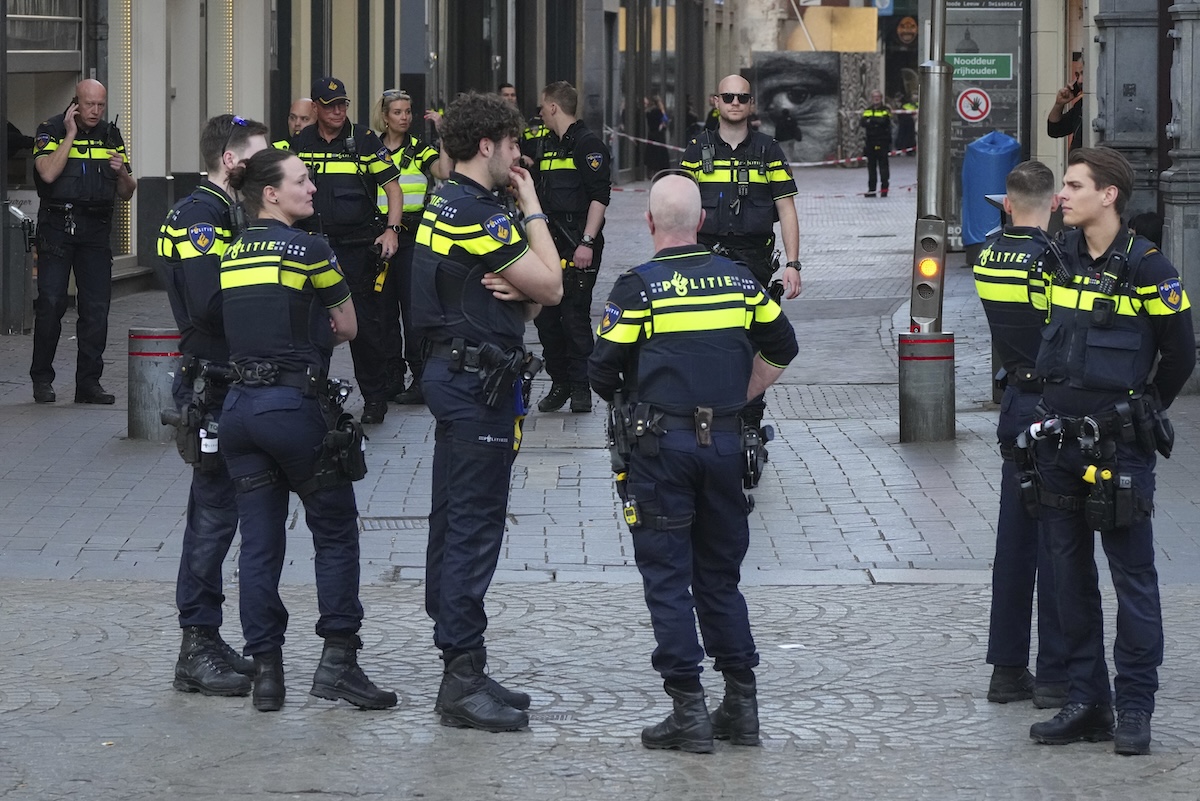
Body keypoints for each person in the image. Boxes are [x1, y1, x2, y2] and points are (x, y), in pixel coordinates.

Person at [587, 174, 798, 753]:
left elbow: (601, 373)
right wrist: (740, 395)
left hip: (662, 449)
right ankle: (741, 704)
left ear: (650, 223)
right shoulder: (740, 281)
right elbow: (783, 346)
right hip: (727, 446)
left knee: (667, 579)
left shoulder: (638, 289)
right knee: (720, 578)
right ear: (702, 220)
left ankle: (689, 711)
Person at [212, 148, 396, 713]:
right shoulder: (312, 248)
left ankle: (266, 674)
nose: (313, 187)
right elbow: (348, 325)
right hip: (293, 408)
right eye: (302, 180)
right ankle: (339, 662)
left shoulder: (232, 249)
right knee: (335, 531)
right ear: (271, 193)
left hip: (238, 412)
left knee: (260, 544)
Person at [1029, 147, 1195, 755]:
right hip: (1059, 445)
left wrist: (1141, 409)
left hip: (1119, 447)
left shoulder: (1150, 269)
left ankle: (1134, 707)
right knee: (1067, 578)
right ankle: (1085, 701)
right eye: (1062, 186)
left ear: (1109, 195)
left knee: (1132, 579)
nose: (1062, 195)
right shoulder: (1057, 258)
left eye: (1074, 186)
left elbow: (1181, 354)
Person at [410, 91, 562, 732]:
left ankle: (463, 656)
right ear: (486, 146)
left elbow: (528, 302)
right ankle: (460, 680)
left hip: (459, 373)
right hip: (477, 384)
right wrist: (531, 208)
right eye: (512, 145)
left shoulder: (447, 201)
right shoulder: (478, 210)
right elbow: (551, 286)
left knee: (455, 517)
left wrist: (518, 292)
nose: (518, 156)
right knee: (475, 525)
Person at [157, 114, 270, 697]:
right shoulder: (201, 217)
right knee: (212, 515)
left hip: (228, 378)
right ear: (232, 160)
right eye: (261, 154)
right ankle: (196, 643)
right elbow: (207, 304)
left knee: (222, 513)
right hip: (212, 383)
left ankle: (207, 635)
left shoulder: (224, 211)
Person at [970, 160, 1068, 710]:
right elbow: (1058, 328)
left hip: (1015, 404)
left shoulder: (987, 256)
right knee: (1059, 539)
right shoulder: (1048, 260)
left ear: (1007, 202)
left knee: (1013, 545)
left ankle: (1006, 669)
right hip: (1052, 402)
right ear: (1053, 203)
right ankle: (1055, 673)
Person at [680, 74, 802, 473]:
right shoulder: (697, 149)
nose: (735, 102)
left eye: (743, 97)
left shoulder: (768, 150)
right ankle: (709, 419)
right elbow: (679, 207)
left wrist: (793, 264)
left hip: (754, 262)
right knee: (705, 344)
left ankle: (749, 422)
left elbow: (786, 209)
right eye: (729, 96)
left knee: (752, 344)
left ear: (751, 105)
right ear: (716, 101)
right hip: (705, 262)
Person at [290, 77, 403, 425]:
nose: (338, 110)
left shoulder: (365, 140)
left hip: (356, 248)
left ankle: (374, 398)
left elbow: (393, 189)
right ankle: (317, 396)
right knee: (312, 325)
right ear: (316, 109)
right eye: (330, 105)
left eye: (342, 104)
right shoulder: (301, 143)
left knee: (365, 327)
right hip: (313, 247)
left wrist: (392, 230)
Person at [30, 79, 137, 405]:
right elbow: (47, 173)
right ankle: (42, 379)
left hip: (95, 230)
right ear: (75, 102)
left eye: (100, 105)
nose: (95, 111)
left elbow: (128, 191)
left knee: (96, 309)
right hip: (58, 226)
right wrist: (71, 135)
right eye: (89, 104)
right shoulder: (50, 128)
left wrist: (121, 173)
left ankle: (88, 384)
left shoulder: (110, 135)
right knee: (51, 303)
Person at [532, 81, 612, 415]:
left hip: (577, 239)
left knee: (574, 316)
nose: (539, 112)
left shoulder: (588, 144)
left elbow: (599, 197)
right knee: (547, 318)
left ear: (553, 107)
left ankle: (580, 387)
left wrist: (587, 243)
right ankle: (559, 383)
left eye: (542, 106)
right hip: (548, 241)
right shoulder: (545, 144)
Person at [372, 88, 449, 406]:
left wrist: (443, 133)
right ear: (385, 117)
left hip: (412, 238)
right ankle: (392, 376)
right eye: (398, 112)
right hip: (378, 236)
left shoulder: (418, 149)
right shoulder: (371, 149)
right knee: (383, 311)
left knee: (413, 312)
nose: (405, 117)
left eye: (408, 111)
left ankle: (419, 378)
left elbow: (445, 172)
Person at [1047, 53, 1084, 151]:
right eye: (1077, 75)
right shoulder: (1081, 105)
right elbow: (1054, 130)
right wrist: (1059, 104)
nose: (1080, 80)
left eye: (1083, 73)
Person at [862, 90, 892, 198]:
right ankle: (871, 190)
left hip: (882, 142)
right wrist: (876, 122)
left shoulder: (885, 110)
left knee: (883, 168)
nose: (876, 99)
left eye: (878, 97)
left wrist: (871, 121)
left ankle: (884, 190)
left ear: (881, 98)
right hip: (870, 142)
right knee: (871, 168)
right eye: (874, 97)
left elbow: (884, 122)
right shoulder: (868, 110)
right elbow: (863, 122)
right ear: (871, 98)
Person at [643, 95, 669, 175]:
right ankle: (660, 171)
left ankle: (650, 170)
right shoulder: (658, 111)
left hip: (651, 134)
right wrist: (662, 110)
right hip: (658, 135)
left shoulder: (648, 112)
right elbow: (665, 119)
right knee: (659, 154)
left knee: (651, 154)